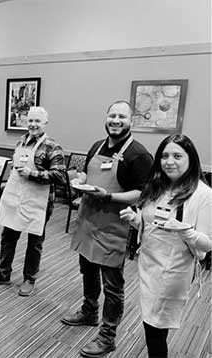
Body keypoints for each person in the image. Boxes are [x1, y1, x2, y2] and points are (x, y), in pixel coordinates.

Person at [60, 100, 154, 358]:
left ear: (131, 121)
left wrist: (109, 196)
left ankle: (107, 336)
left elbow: (143, 194)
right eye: (112, 115)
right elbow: (87, 177)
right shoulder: (96, 146)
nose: (116, 120)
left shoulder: (139, 155)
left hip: (114, 227)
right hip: (89, 221)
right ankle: (89, 311)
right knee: (87, 270)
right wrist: (80, 180)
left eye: (122, 116)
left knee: (113, 285)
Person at [120, 134, 212, 358]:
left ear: (191, 159)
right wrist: (135, 220)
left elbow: (207, 245)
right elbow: (150, 221)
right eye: (164, 156)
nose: (169, 161)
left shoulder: (203, 194)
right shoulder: (158, 187)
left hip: (173, 270)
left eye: (177, 156)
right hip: (148, 265)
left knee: (155, 327)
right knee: (150, 321)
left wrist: (184, 230)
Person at [0, 106, 66, 296]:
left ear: (45, 123)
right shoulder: (21, 141)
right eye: (30, 121)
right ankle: (3, 273)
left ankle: (29, 279)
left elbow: (60, 176)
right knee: (8, 238)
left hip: (39, 203)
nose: (33, 125)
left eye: (37, 121)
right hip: (16, 198)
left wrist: (33, 174)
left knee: (34, 242)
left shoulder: (52, 146)